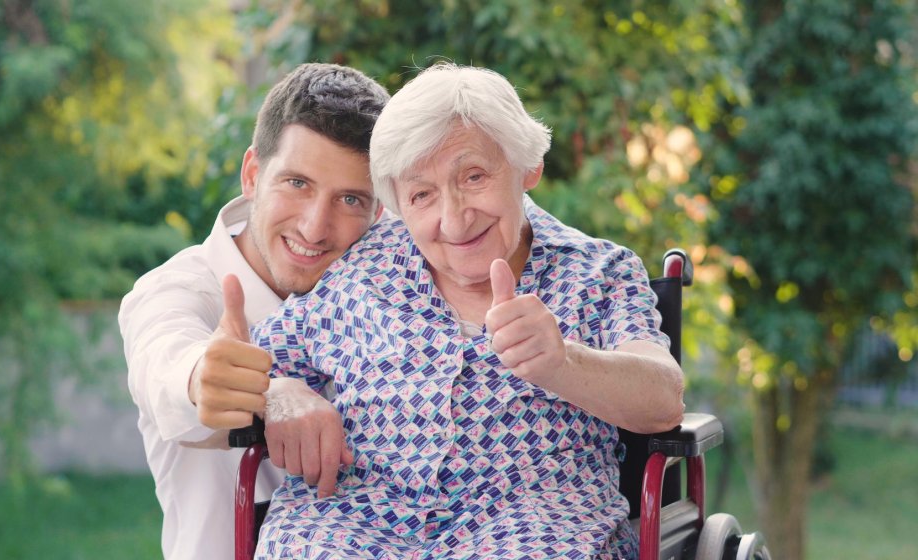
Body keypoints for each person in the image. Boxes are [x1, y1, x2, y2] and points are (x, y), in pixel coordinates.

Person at [251, 63, 685, 559]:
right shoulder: (362, 269)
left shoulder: (598, 273)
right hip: (355, 520)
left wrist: (563, 363)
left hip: (533, 524)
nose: (454, 220)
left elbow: (663, 398)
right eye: (422, 195)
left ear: (527, 166)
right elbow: (256, 362)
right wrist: (280, 391)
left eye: (473, 176)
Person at [118, 63, 390, 560]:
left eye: (349, 199)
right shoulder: (176, 292)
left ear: (378, 213)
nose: (314, 227)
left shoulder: (396, 284)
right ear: (252, 175)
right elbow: (165, 361)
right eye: (297, 183)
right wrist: (241, 383)